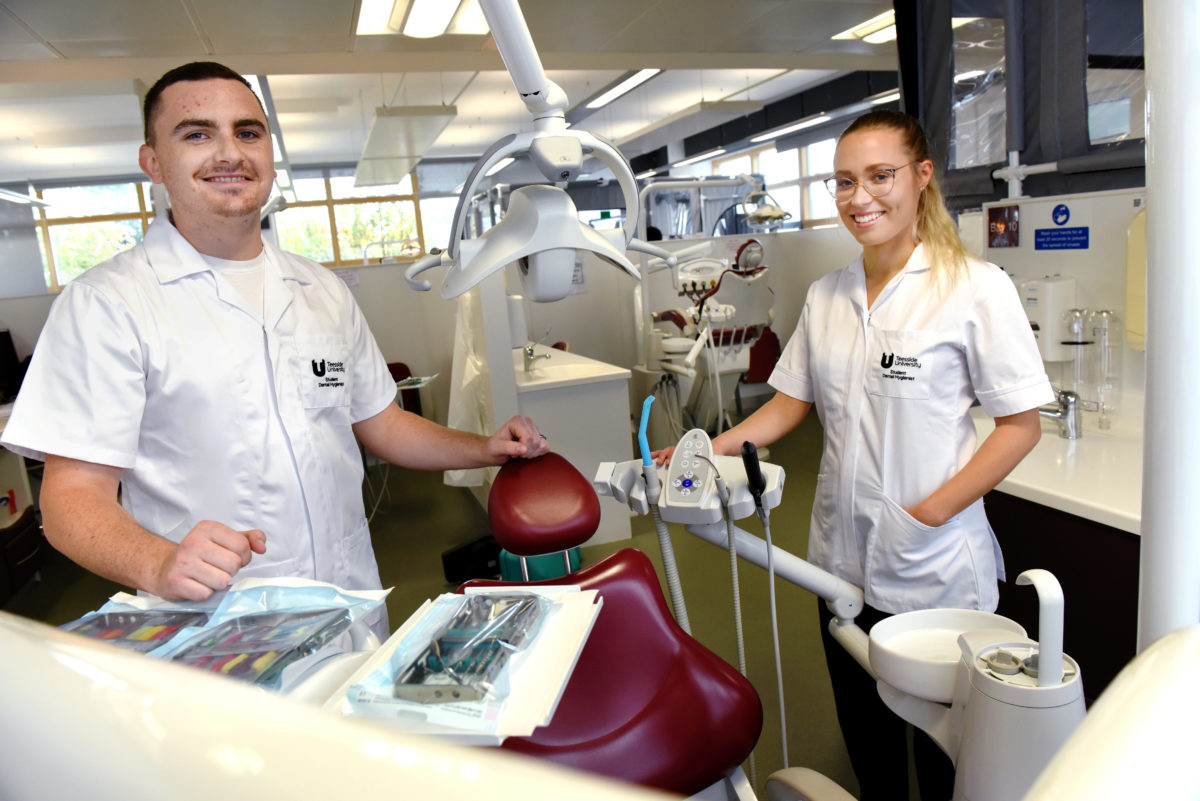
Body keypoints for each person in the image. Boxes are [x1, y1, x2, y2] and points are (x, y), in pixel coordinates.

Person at [0, 62, 549, 631]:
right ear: (153, 163)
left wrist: (484, 448)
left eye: (247, 131)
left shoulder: (321, 289)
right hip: (215, 624)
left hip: (349, 599)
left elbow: (381, 424)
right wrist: (158, 562)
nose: (229, 152)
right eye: (196, 133)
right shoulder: (106, 304)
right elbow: (70, 502)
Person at [657, 110, 1051, 799]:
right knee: (868, 745)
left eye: (879, 176)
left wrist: (929, 512)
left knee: (945, 758)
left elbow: (1021, 425)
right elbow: (787, 407)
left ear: (922, 178)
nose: (859, 197)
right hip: (840, 563)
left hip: (935, 574)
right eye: (844, 181)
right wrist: (697, 450)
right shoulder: (828, 295)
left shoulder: (974, 288)